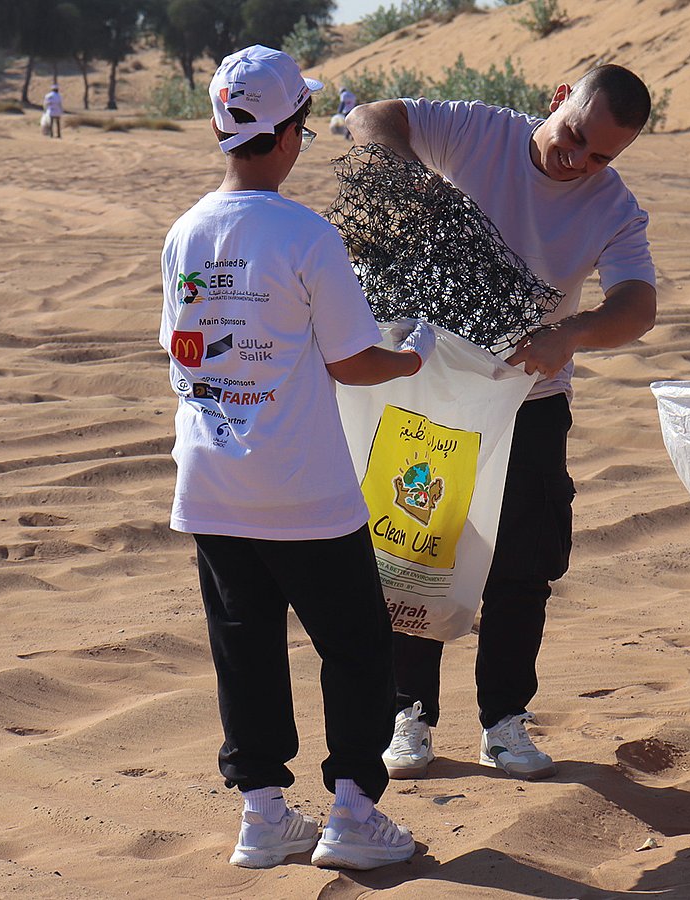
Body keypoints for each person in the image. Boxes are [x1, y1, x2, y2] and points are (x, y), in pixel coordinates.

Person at [160, 45, 436, 871]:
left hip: (212, 481)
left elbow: (186, 351)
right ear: (285, 134)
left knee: (242, 647)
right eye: (304, 129)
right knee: (354, 645)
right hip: (306, 492)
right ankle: (352, 807)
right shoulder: (308, 234)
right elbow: (354, 360)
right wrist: (412, 355)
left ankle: (262, 812)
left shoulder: (185, 232)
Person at [347, 64, 657, 780]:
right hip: (428, 389)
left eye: (602, 155)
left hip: (530, 402)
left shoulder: (612, 206)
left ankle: (505, 722)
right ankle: (408, 715)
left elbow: (637, 306)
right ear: (556, 98)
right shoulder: (477, 131)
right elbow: (373, 116)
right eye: (576, 136)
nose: (578, 161)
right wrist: (412, 179)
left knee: (524, 568)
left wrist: (568, 335)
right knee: (414, 547)